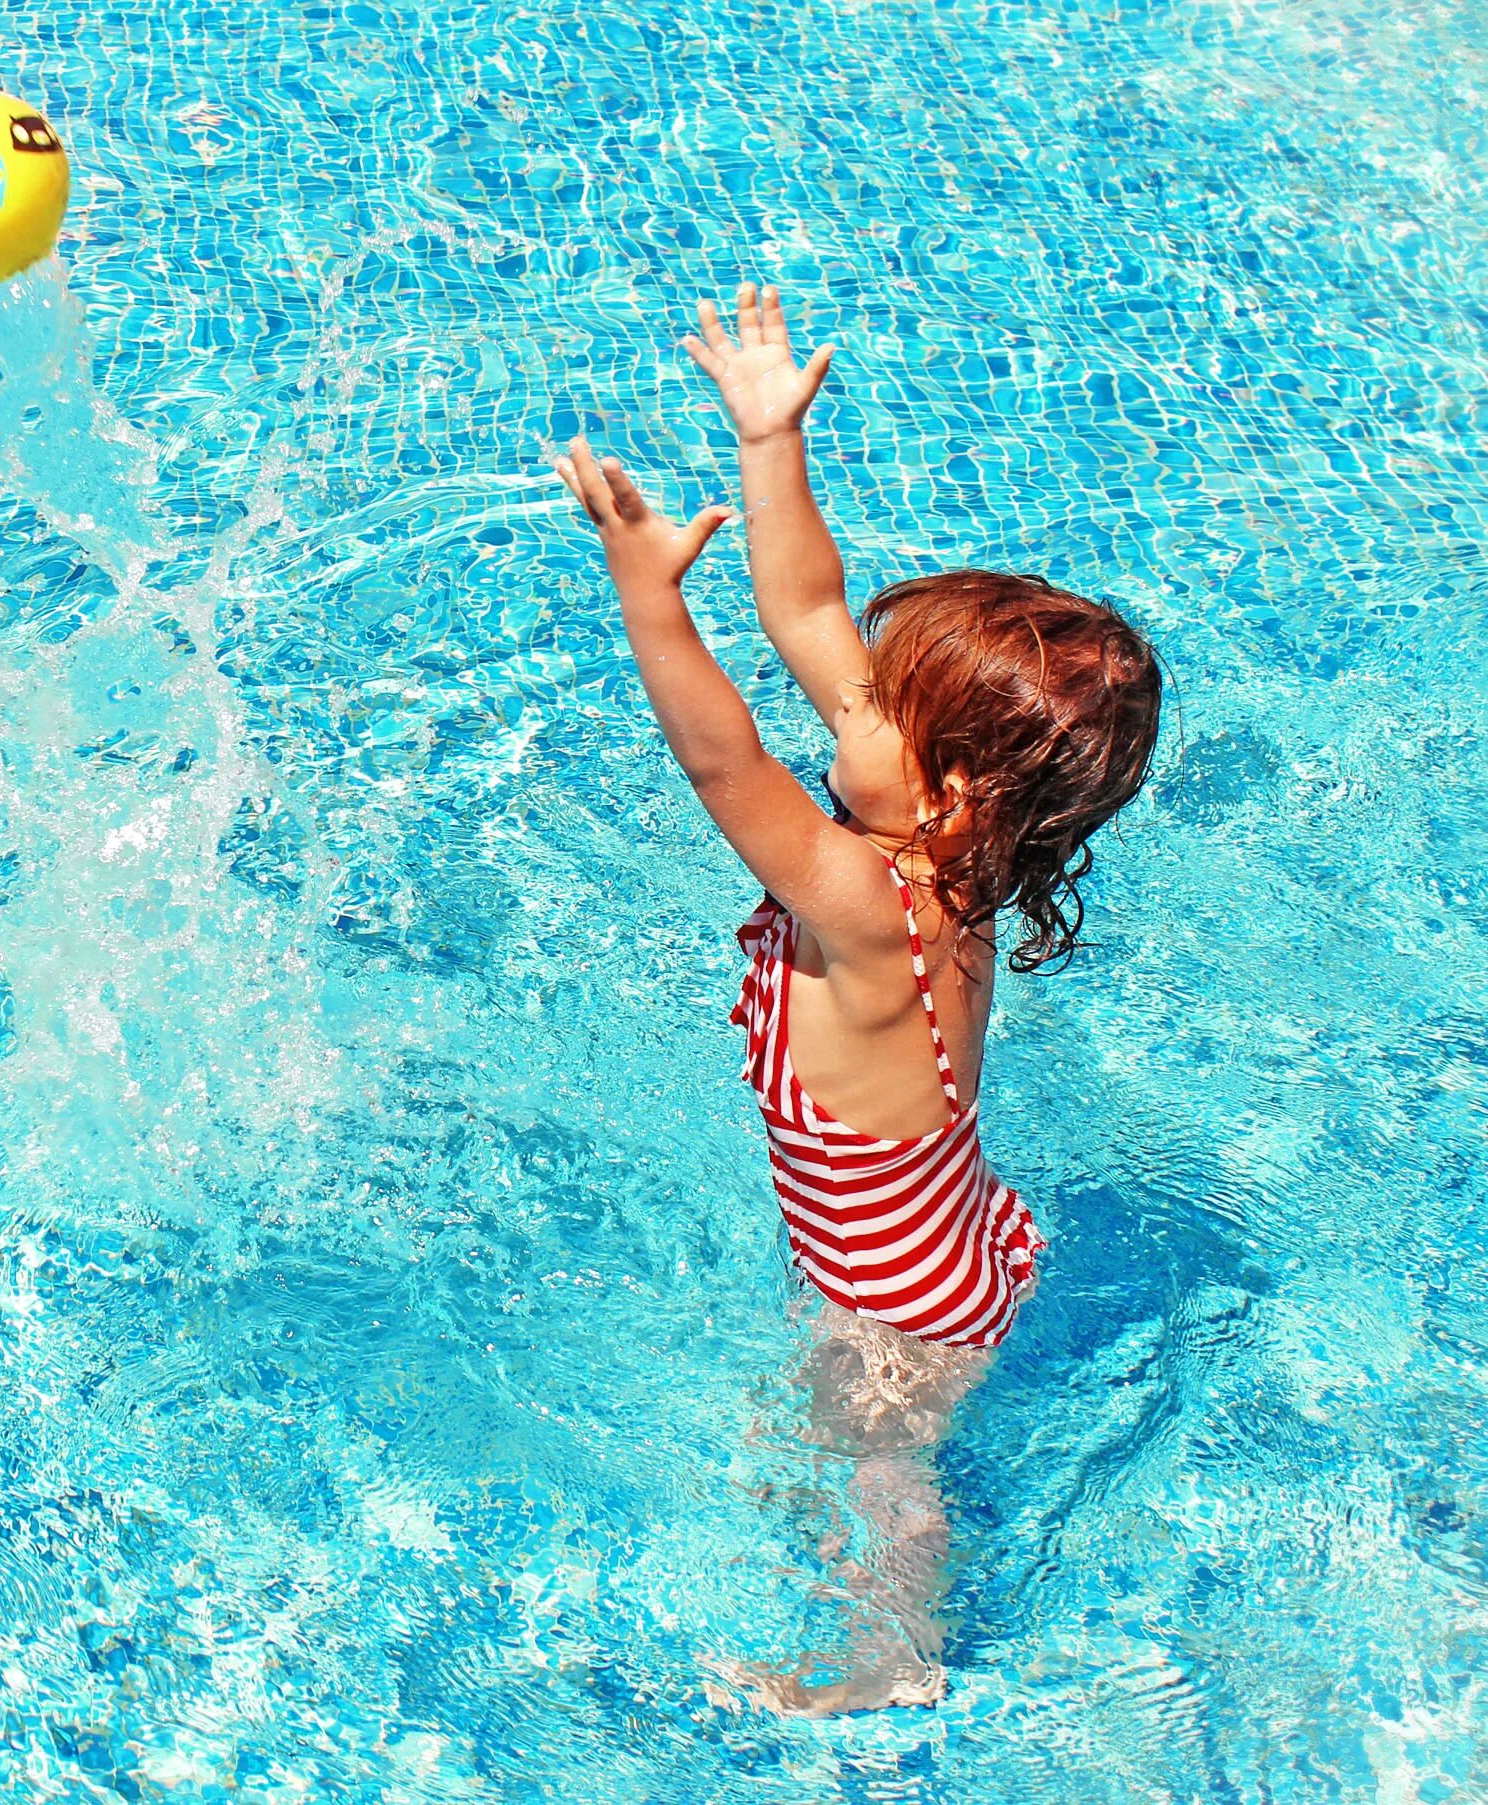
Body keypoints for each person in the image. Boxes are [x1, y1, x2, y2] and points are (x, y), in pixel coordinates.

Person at [553, 285, 1163, 1714]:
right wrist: (770, 439)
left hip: (896, 1306)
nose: (847, 705)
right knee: (816, 1447)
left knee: (870, 1466)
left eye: (877, 708)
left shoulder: (865, 906)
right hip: (956, 1235)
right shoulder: (956, 858)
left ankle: (888, 1664)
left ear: (949, 793)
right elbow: (811, 606)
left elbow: (722, 768)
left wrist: (649, 596)